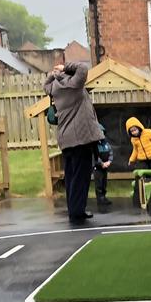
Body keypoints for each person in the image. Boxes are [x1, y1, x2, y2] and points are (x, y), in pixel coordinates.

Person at [44, 57, 103, 225]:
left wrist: (53, 74)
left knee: (71, 176)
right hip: (81, 138)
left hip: (66, 138)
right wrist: (65, 67)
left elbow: (45, 85)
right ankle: (78, 212)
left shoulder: (55, 87)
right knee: (81, 177)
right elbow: (83, 69)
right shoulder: (73, 84)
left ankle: (74, 209)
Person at [92, 122, 114, 210]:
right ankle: (100, 198)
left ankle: (104, 197)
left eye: (102, 132)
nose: (100, 134)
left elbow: (110, 152)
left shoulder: (105, 143)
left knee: (104, 182)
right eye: (98, 132)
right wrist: (102, 164)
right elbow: (95, 156)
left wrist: (109, 161)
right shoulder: (94, 145)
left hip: (105, 166)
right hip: (98, 167)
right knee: (99, 183)